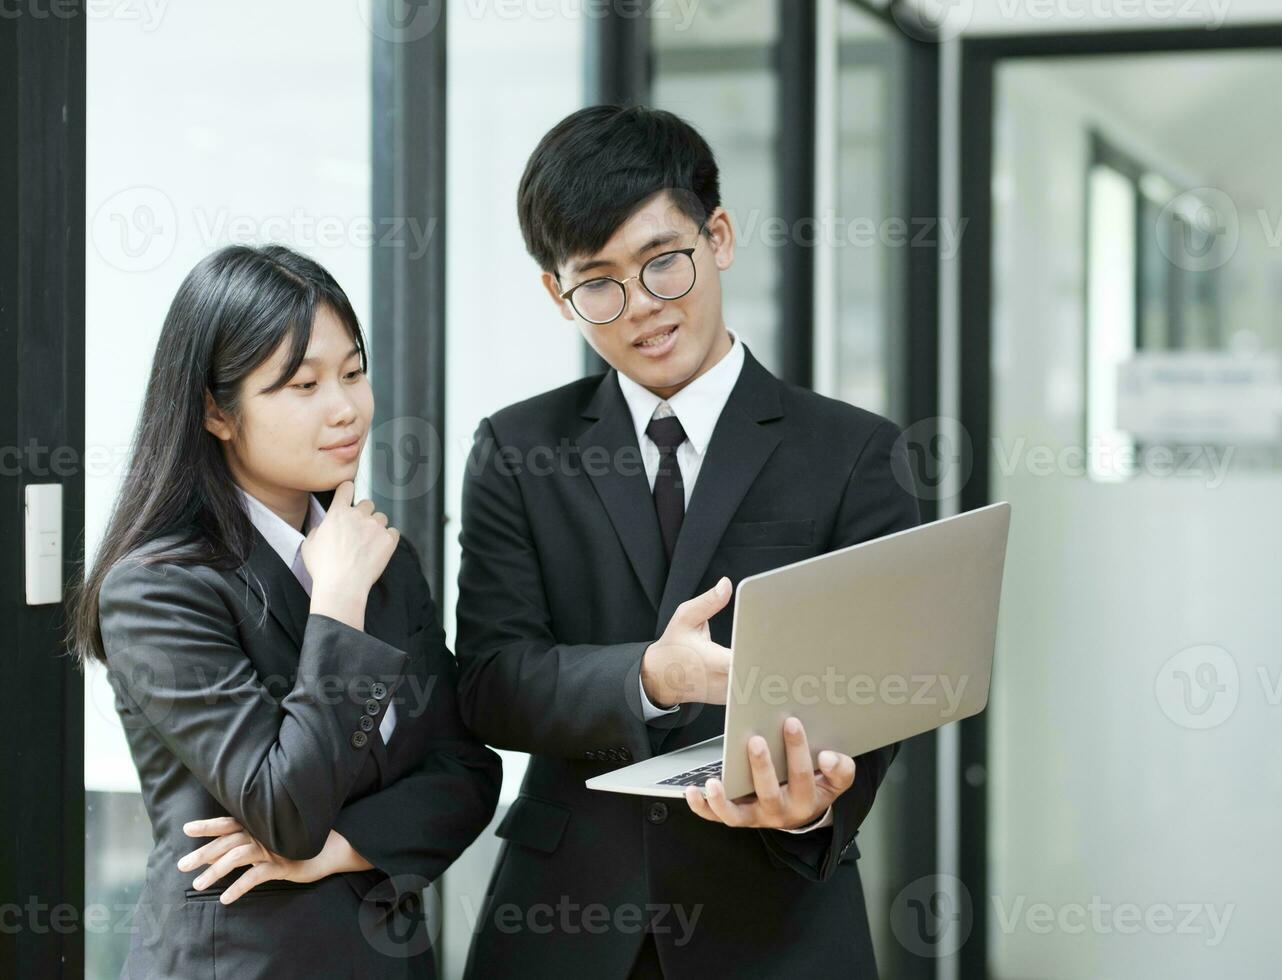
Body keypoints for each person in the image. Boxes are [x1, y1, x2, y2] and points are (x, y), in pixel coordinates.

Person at [456, 105, 920, 979]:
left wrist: (812, 807)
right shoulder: (518, 450)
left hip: (776, 917)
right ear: (558, 294)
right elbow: (488, 683)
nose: (641, 310)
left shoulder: (854, 452)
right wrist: (646, 677)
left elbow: (885, 686)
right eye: (598, 284)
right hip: (564, 924)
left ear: (719, 236)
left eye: (663, 263)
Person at [70, 244, 501, 979]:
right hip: (244, 963)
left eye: (354, 373)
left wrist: (345, 848)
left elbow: (465, 773)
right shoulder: (158, 588)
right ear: (216, 411)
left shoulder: (377, 555)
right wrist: (337, 603)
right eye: (302, 384)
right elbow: (287, 810)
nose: (346, 408)